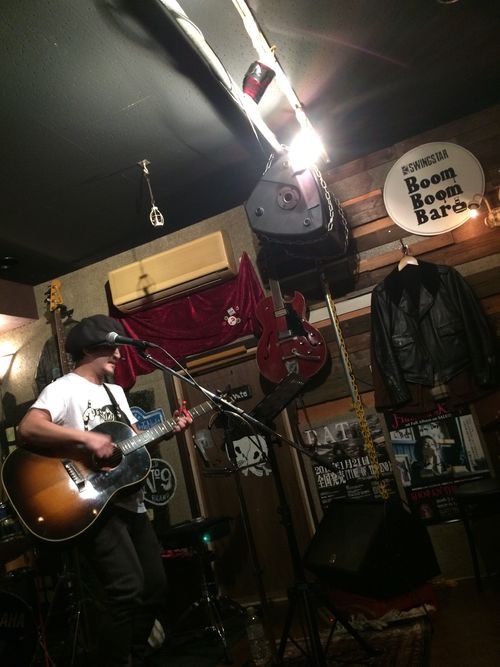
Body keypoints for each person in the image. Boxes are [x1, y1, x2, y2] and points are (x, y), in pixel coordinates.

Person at [18, 314, 192, 666]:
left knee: (155, 586)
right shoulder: (63, 389)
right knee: (126, 588)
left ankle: (135, 655)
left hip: (128, 500)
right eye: (111, 348)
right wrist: (86, 439)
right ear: (88, 349)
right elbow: (28, 428)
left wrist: (168, 430)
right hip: (92, 502)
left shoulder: (116, 393)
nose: (118, 354)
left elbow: (132, 443)